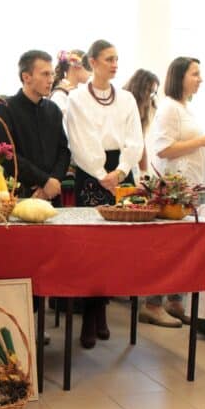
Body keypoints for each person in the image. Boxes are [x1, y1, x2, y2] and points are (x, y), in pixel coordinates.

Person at [64, 39, 143, 348]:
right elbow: (79, 140)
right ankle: (90, 314)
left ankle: (102, 310)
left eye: (117, 58)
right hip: (91, 171)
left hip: (120, 170)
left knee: (117, 246)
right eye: (109, 59)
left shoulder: (126, 99)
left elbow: (135, 138)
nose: (115, 64)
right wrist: (100, 174)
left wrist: (122, 170)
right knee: (92, 245)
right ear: (92, 62)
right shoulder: (77, 98)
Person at [143, 56, 205, 327]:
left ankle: (176, 301)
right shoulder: (169, 108)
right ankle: (152, 304)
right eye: (195, 74)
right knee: (170, 248)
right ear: (180, 77)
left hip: (194, 185)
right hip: (177, 189)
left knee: (186, 249)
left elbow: (188, 145)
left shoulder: (186, 107)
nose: (200, 79)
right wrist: (202, 140)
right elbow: (164, 148)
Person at [0, 50, 70, 205]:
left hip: (53, 194)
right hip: (22, 192)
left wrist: (53, 181)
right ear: (26, 77)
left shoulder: (53, 109)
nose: (51, 80)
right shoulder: (5, 108)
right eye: (45, 74)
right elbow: (8, 155)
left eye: (51, 74)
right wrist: (43, 181)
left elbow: (64, 151)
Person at [122, 69, 160, 173]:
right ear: (139, 88)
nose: (150, 97)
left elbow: (141, 142)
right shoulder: (122, 103)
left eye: (153, 93)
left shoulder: (142, 110)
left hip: (130, 165)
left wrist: (144, 172)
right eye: (149, 91)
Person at [50, 49, 91, 116]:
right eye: (88, 66)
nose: (91, 72)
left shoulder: (76, 92)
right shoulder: (60, 95)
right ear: (76, 64)